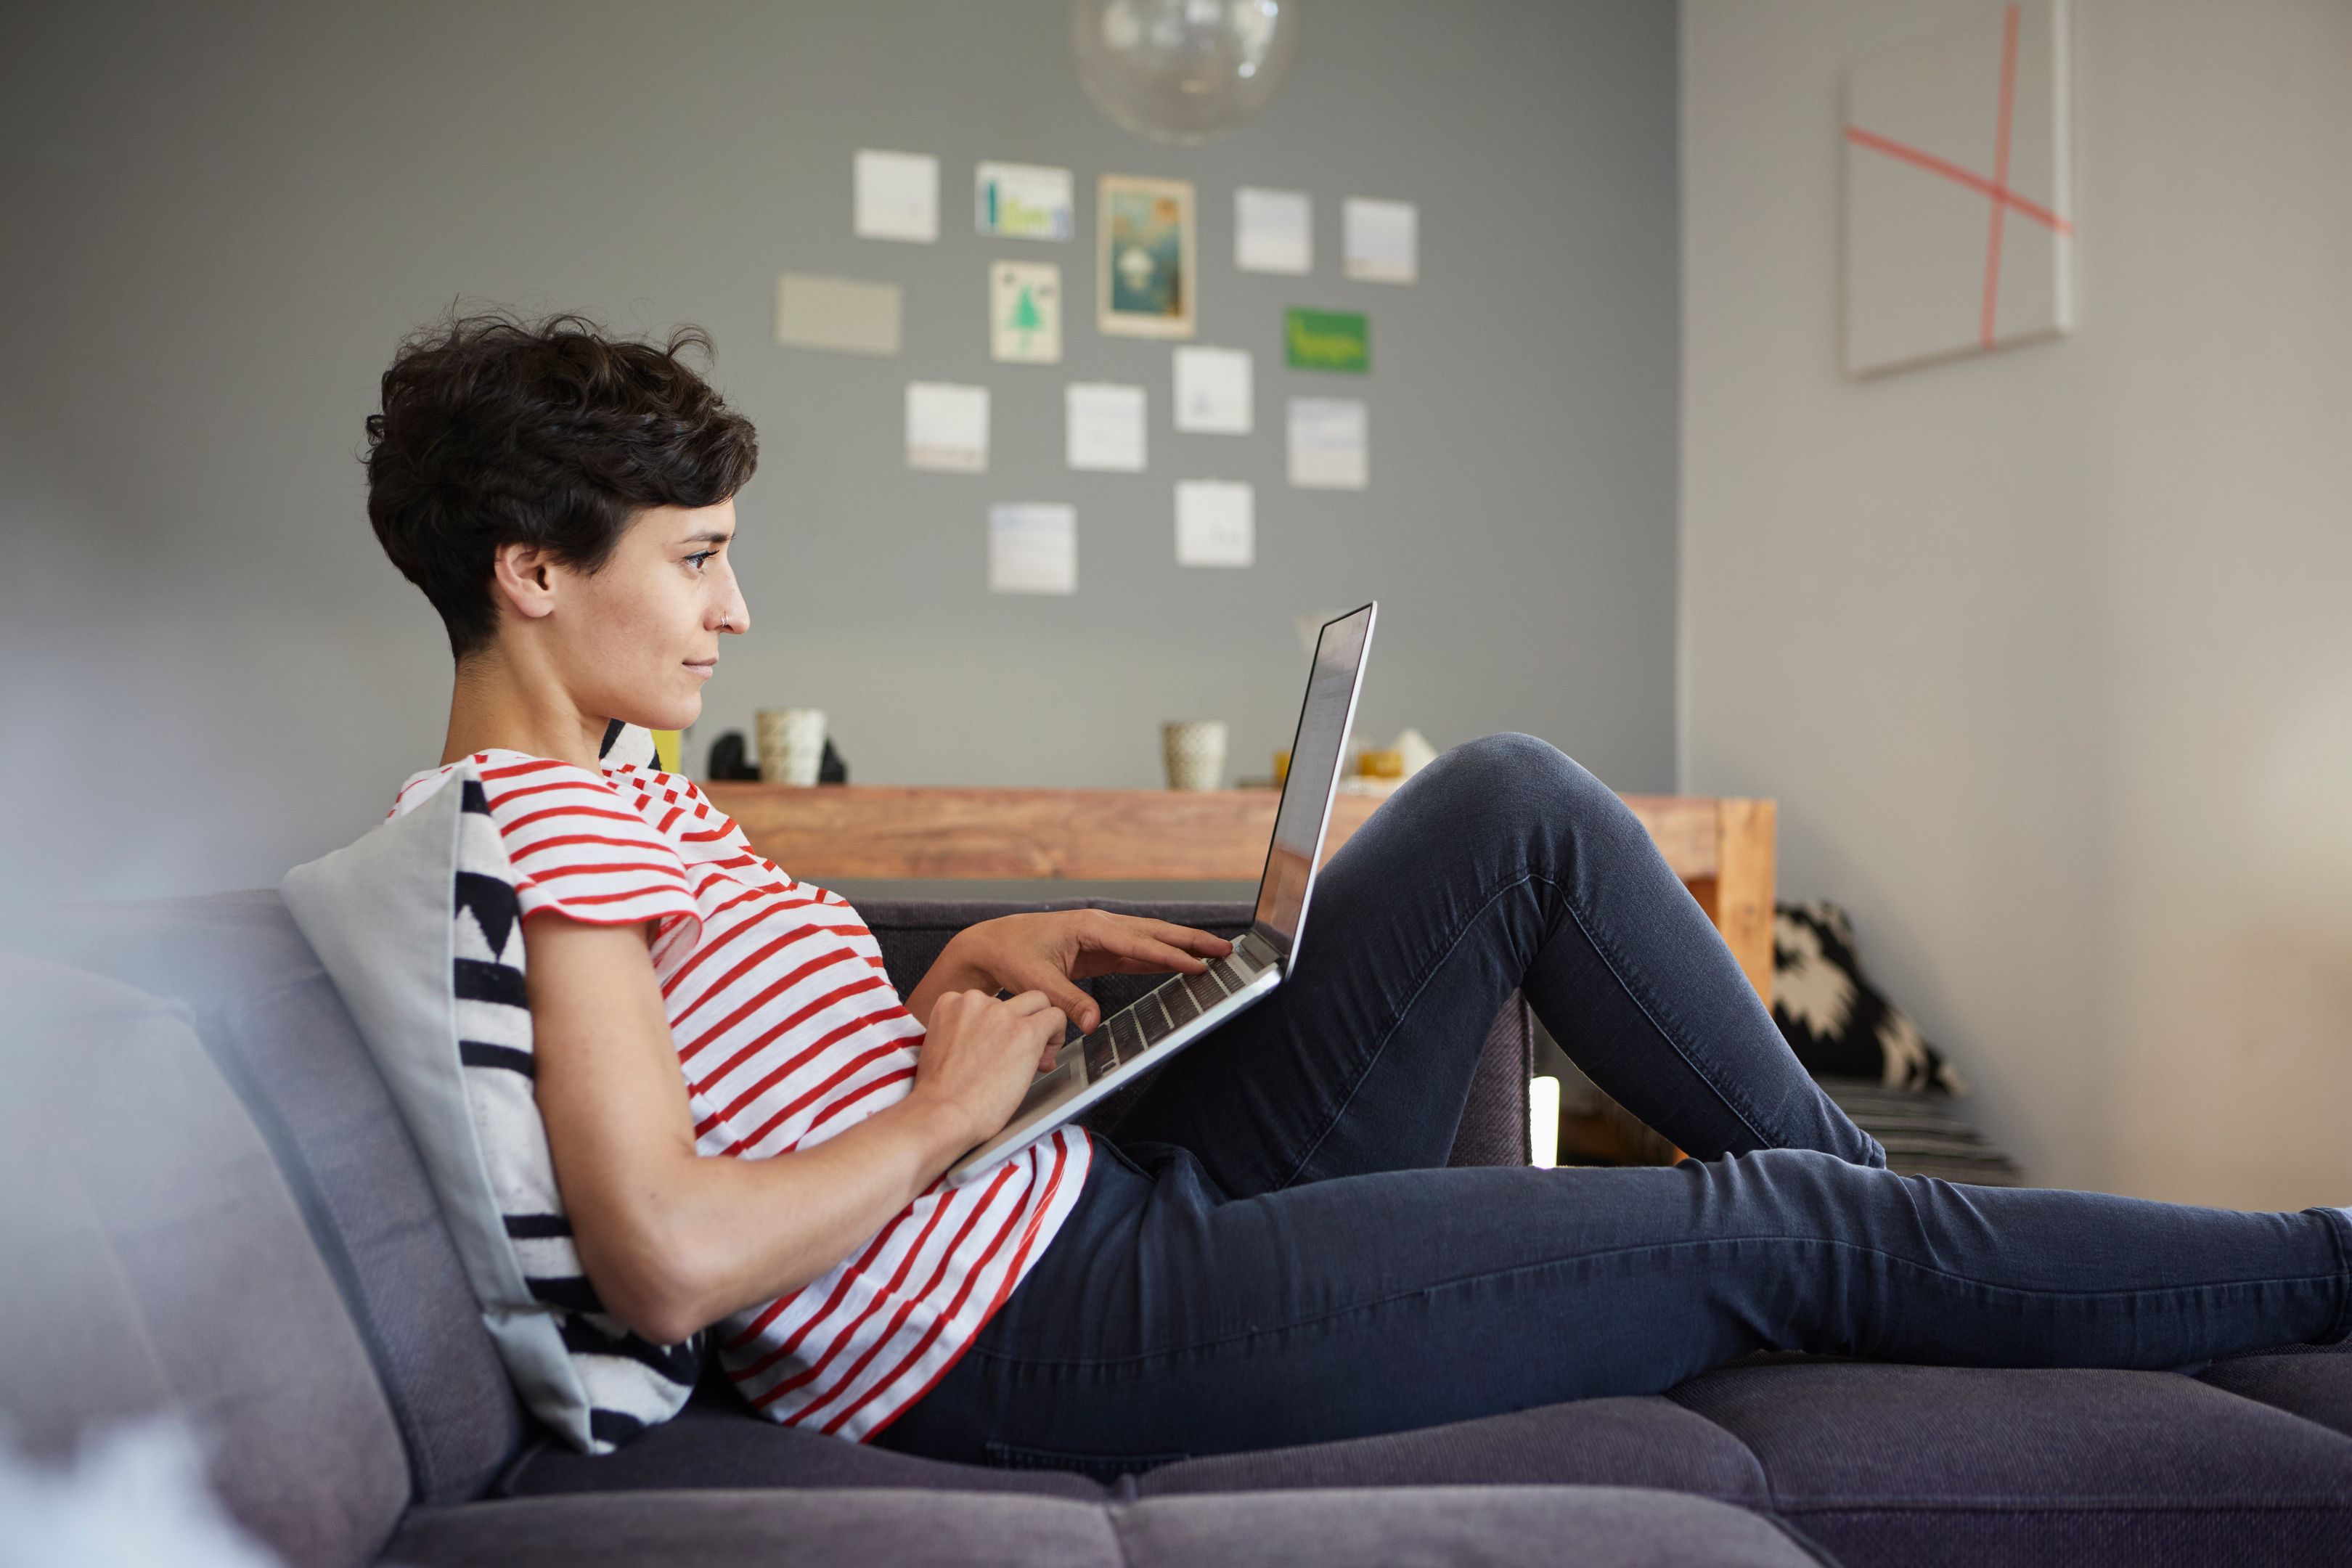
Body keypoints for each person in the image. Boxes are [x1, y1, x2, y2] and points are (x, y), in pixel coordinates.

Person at [365, 313, 2351, 1471]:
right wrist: (944, 1108)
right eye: (695, 558)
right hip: (1043, 1328)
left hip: (1090, 1195)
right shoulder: (545, 835)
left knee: (1512, 805)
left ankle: (1890, 1253)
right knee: (1757, 1225)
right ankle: (2291, 1260)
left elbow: (736, 1060)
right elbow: (671, 1261)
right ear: (535, 571)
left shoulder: (608, 795)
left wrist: (965, 964)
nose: (735, 606)